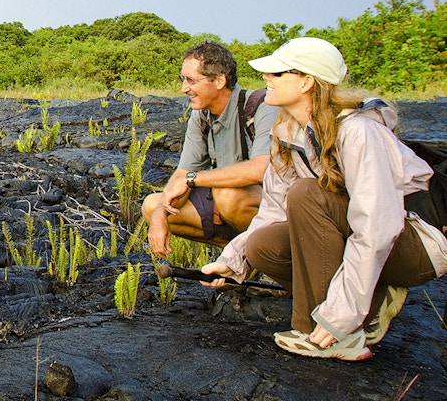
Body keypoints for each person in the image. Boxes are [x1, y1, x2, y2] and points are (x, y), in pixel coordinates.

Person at [201, 37, 447, 360]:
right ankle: (367, 303)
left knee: (308, 195)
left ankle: (332, 334)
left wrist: (338, 318)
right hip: (374, 237)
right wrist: (233, 260)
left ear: (307, 81)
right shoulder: (288, 133)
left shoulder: (359, 131)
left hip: (416, 243)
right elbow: (272, 211)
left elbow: (377, 228)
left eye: (277, 73)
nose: (266, 78)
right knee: (261, 245)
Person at [143, 41, 279, 257]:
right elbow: (182, 173)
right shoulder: (201, 116)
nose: (183, 88)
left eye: (191, 80)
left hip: (278, 208)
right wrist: (160, 213)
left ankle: (267, 258)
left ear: (219, 81)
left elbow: (260, 169)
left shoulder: (262, 107)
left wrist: (192, 179)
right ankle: (239, 256)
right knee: (152, 205)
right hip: (228, 205)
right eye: (183, 79)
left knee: (227, 196)